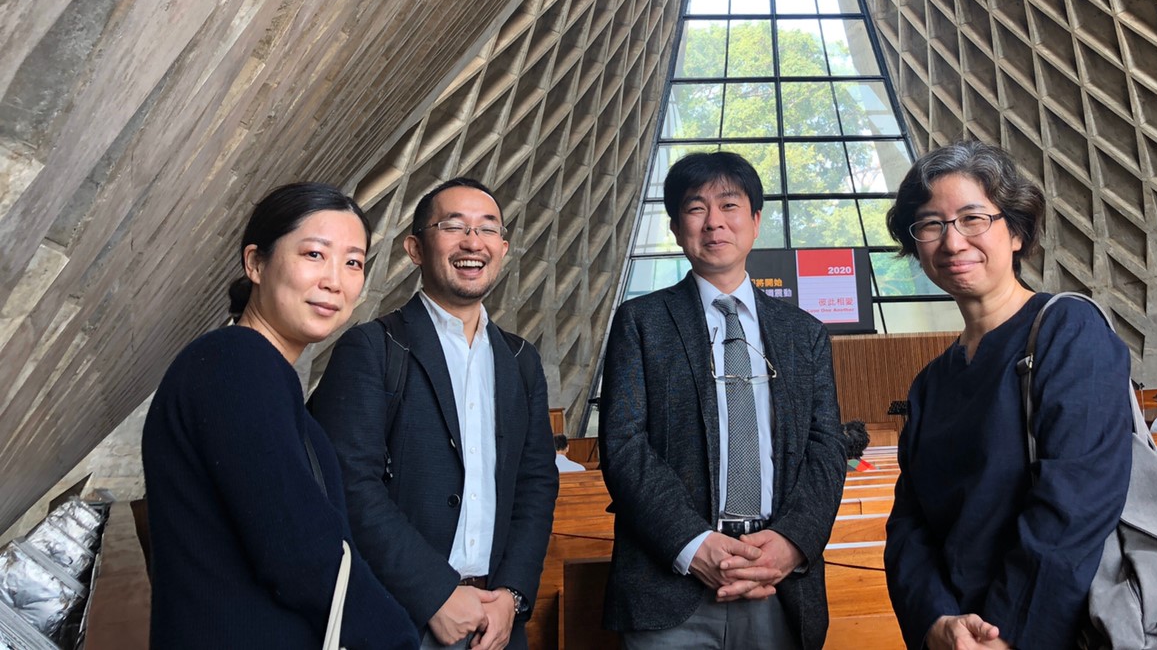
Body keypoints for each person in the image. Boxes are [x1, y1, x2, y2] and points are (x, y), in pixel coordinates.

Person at [142, 182, 418, 650]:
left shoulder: (255, 370)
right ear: (255, 263)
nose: (335, 279)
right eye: (314, 254)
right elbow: (298, 547)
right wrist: (397, 639)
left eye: (353, 262)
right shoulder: (235, 364)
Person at [882, 142, 1132, 650]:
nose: (952, 243)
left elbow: (1075, 504)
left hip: (1043, 627)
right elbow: (909, 522)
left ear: (1016, 231)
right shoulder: (931, 381)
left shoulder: (1068, 329)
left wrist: (1007, 635)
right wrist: (935, 620)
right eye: (931, 224)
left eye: (973, 219)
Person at [599, 151, 847, 650]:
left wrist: (791, 543)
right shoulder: (641, 321)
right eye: (696, 208)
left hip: (777, 583)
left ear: (755, 221)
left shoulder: (804, 334)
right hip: (669, 585)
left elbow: (826, 448)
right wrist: (695, 546)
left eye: (729, 205)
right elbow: (624, 446)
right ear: (676, 228)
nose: (714, 222)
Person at [311, 178, 557, 650]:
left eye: (487, 229)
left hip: (498, 621)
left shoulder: (521, 360)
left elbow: (536, 482)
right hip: (400, 614)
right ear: (415, 248)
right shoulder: (373, 348)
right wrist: (435, 595)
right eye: (453, 226)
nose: (472, 242)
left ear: (502, 248)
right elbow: (350, 484)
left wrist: (513, 594)